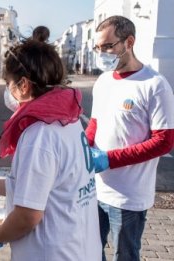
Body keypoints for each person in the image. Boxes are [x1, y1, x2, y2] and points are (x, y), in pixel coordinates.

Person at [0, 39, 102, 261]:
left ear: (23, 85)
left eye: (7, 82)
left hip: (52, 253)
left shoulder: (39, 135)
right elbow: (36, 187)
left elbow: (27, 215)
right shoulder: (68, 120)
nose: (7, 89)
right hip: (80, 247)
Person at [86, 15, 174, 260]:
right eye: (98, 47)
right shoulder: (103, 81)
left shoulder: (155, 85)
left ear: (129, 42)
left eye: (108, 46)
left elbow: (164, 141)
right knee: (89, 251)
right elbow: (94, 124)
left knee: (125, 255)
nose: (102, 53)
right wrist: (82, 149)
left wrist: (109, 159)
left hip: (129, 197)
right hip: (95, 189)